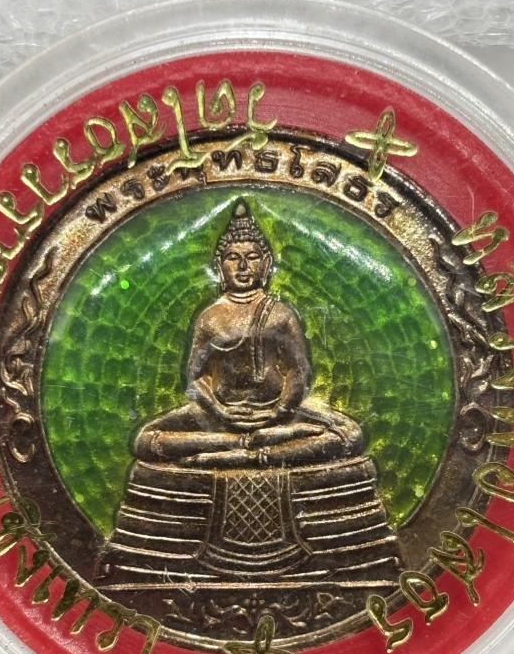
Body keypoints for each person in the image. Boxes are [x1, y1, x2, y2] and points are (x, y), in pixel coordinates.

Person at [134, 199, 363, 470]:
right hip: (219, 415)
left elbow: (298, 372)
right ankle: (237, 444)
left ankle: (254, 451)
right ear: (219, 266)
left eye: (252, 257)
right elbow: (196, 378)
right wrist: (220, 410)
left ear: (266, 264)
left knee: (350, 434)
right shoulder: (209, 317)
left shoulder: (280, 314)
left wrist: (278, 412)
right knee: (144, 439)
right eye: (233, 258)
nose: (243, 266)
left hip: (277, 413)